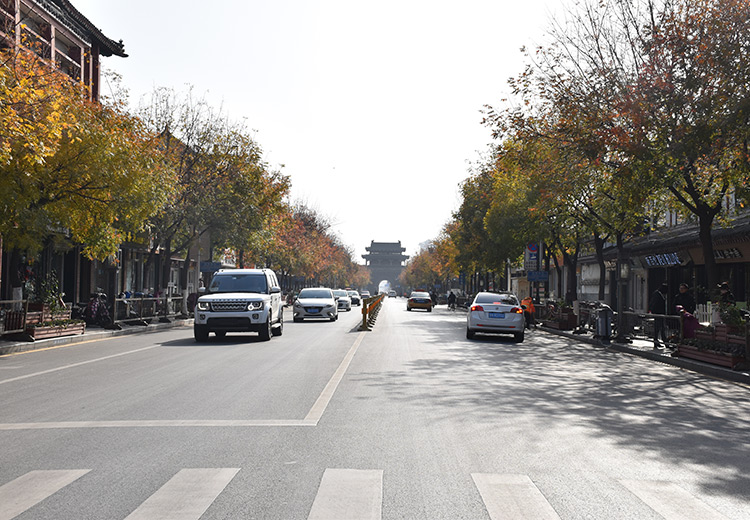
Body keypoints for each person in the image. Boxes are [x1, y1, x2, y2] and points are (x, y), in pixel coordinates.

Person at [649, 282, 668, 349]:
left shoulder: (658, 294)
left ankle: (658, 342)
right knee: (660, 328)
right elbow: (654, 304)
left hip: (660, 314)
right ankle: (664, 342)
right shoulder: (657, 295)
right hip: (658, 314)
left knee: (659, 328)